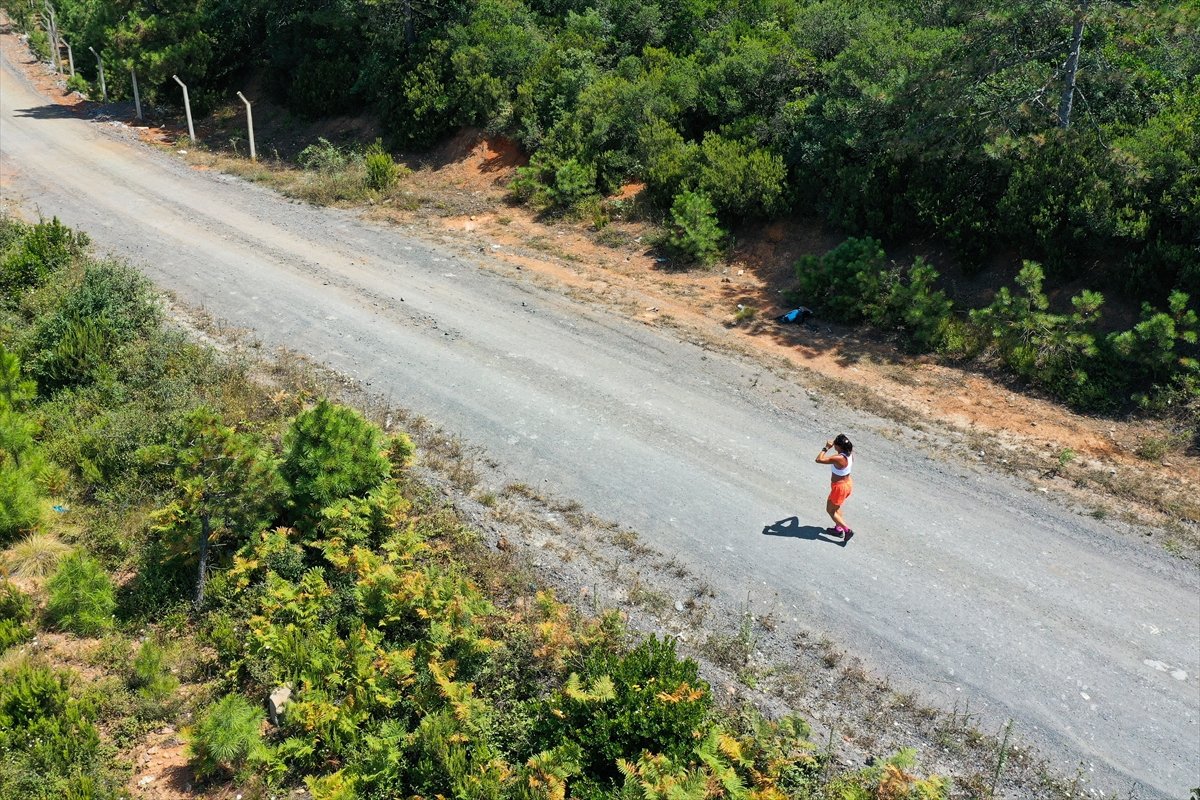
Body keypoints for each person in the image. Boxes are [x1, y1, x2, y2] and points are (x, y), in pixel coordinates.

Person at [815, 434, 854, 541]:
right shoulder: (849, 454)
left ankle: (847, 530)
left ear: (839, 446)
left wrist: (826, 447)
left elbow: (818, 459)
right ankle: (838, 529)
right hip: (847, 484)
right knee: (836, 507)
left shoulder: (838, 458)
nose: (834, 445)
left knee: (830, 510)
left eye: (835, 444)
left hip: (840, 488)